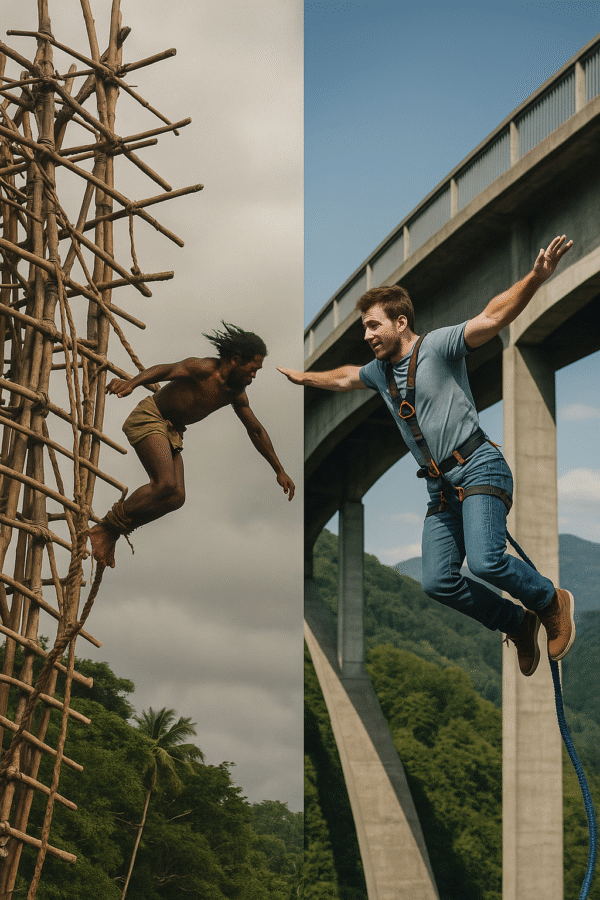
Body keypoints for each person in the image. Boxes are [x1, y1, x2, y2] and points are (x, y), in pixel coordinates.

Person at [279, 235, 574, 677]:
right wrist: (306, 378)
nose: (366, 336)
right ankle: (516, 622)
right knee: (437, 581)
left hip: (478, 467)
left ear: (400, 323)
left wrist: (535, 278)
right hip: (442, 488)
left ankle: (550, 601)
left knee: (485, 560)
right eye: (364, 328)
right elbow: (345, 378)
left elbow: (492, 316)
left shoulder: (437, 346)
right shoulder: (379, 372)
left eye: (373, 326)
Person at [90, 323, 295, 568]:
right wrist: (132, 383)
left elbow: (256, 430)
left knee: (176, 497)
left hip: (173, 433)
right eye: (252, 370)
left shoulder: (236, 393)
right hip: (151, 417)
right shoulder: (204, 368)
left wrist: (279, 470)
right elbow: (167, 370)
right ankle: (105, 528)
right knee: (165, 484)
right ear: (235, 360)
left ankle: (113, 531)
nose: (253, 376)